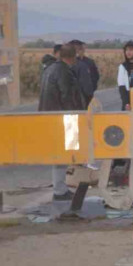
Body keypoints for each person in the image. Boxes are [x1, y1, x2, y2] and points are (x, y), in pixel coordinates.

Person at [38, 44, 85, 201]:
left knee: (58, 156)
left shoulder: (49, 69)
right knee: (63, 155)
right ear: (72, 57)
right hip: (63, 118)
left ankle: (60, 187)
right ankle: (59, 190)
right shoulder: (64, 71)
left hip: (49, 117)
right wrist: (76, 116)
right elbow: (67, 97)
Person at [67, 40, 96, 106]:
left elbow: (95, 77)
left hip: (83, 98)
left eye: (81, 49)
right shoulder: (65, 63)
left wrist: (91, 90)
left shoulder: (89, 62)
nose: (79, 51)